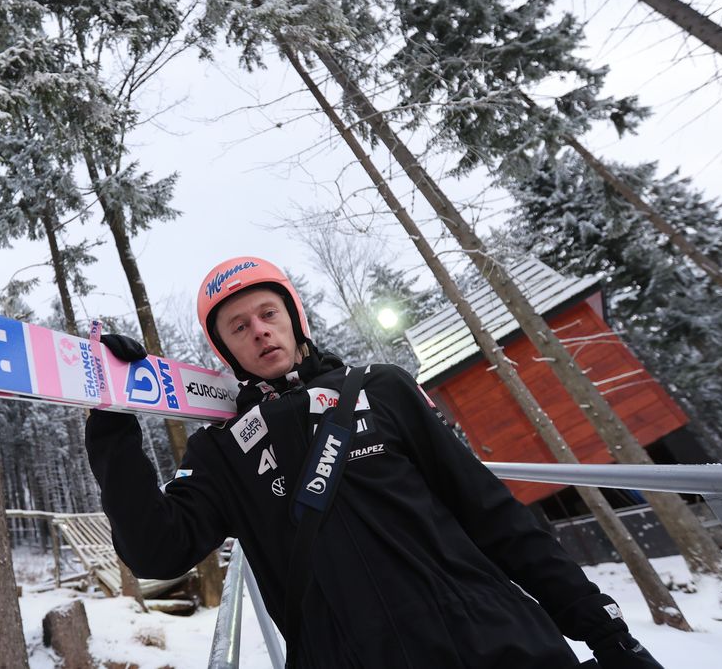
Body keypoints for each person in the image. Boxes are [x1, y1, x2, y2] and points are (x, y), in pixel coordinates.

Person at [85, 256, 663, 668]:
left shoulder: (381, 388)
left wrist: (602, 628)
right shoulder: (225, 448)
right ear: (226, 351)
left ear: (294, 318)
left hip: (494, 638)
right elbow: (154, 550)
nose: (259, 331)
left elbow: (495, 517)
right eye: (239, 327)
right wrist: (111, 420)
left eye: (268, 313)